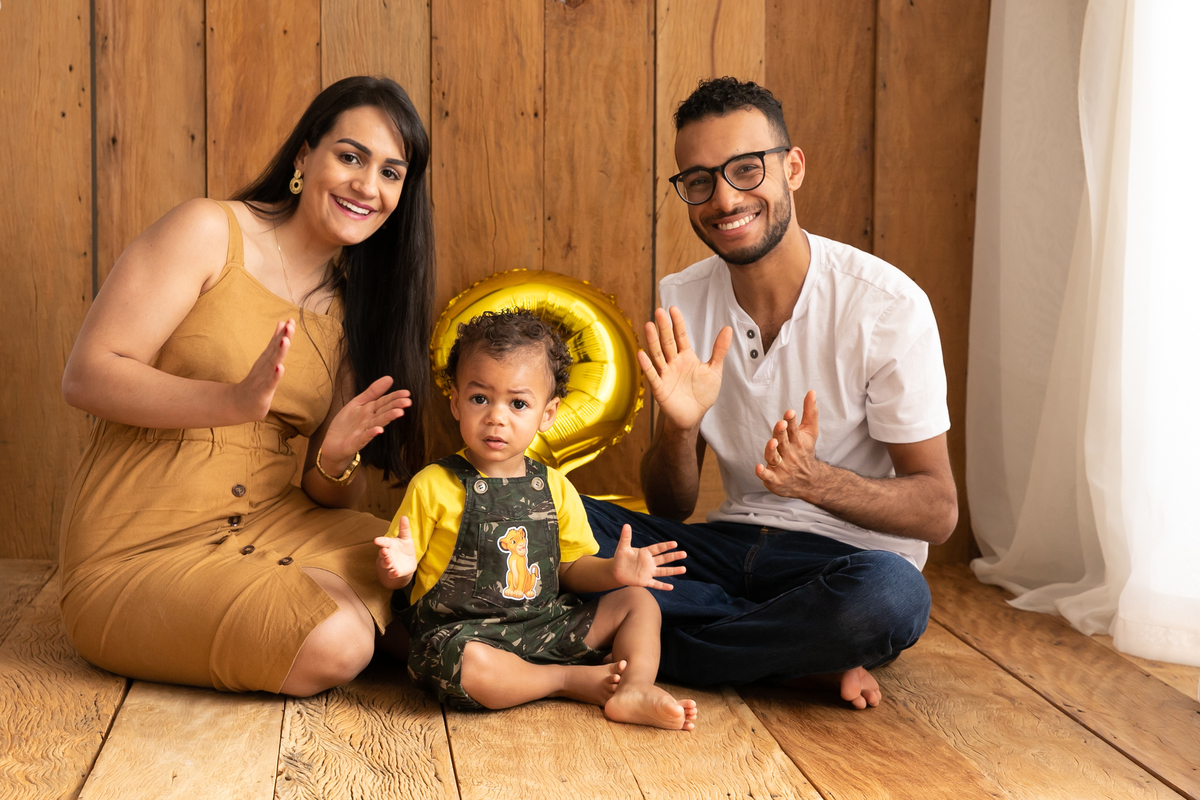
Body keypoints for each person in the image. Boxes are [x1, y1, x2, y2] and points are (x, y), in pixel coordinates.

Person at [582, 77, 957, 709]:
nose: (725, 199)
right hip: (724, 547)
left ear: (793, 169)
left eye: (746, 170)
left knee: (892, 597)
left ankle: (642, 631)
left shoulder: (887, 305)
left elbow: (938, 511)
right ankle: (789, 661)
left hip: (838, 566)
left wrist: (815, 482)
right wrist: (680, 429)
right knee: (538, 511)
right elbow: (670, 508)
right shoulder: (682, 296)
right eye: (699, 181)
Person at [59, 76, 435, 697]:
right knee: (342, 638)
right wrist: (230, 401)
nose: (368, 186)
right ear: (304, 156)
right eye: (351, 157)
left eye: (391, 173)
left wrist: (336, 458)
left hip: (272, 523)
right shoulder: (210, 231)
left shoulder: (351, 311)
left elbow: (327, 494)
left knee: (440, 563)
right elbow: (87, 374)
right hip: (138, 549)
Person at [375, 310, 698, 730]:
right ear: (455, 402)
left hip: (546, 626)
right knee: (464, 662)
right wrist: (398, 570)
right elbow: (396, 578)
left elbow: (571, 570)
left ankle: (633, 688)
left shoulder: (555, 487)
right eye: (480, 399)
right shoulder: (433, 484)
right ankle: (565, 680)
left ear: (547, 414)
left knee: (638, 602)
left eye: (518, 403)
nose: (496, 417)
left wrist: (614, 572)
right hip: (468, 635)